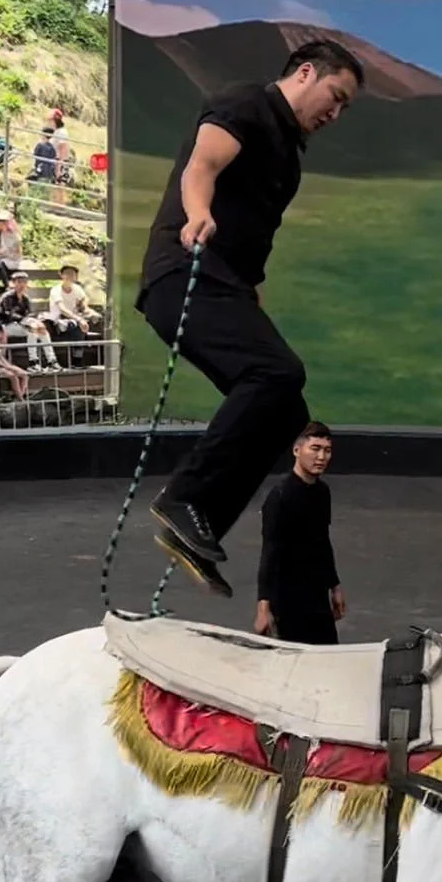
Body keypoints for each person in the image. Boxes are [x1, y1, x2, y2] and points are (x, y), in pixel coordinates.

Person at [137, 38, 363, 597]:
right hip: (183, 273)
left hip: (228, 288)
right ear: (305, 73)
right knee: (277, 373)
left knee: (289, 410)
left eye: (344, 108)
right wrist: (196, 217)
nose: (335, 113)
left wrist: (252, 298)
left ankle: (199, 522)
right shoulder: (244, 105)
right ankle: (184, 500)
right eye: (334, 97)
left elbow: (252, 241)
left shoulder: (288, 156)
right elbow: (202, 166)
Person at [254, 422, 345, 644]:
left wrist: (335, 587)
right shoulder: (280, 497)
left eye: (327, 450)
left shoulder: (322, 493)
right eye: (315, 448)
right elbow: (270, 552)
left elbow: (323, 542)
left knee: (328, 658)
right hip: (288, 601)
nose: (322, 457)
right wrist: (263, 608)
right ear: (297, 450)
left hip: (317, 596)